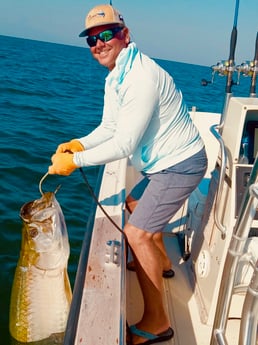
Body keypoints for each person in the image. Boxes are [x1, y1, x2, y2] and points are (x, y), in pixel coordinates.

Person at [48, 4, 207, 345]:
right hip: (164, 163)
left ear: (125, 35)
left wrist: (74, 163)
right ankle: (162, 263)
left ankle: (157, 324)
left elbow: (124, 143)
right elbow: (109, 127)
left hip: (181, 164)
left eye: (107, 34)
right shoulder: (117, 75)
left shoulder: (140, 78)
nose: (99, 44)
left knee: (136, 235)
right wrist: (78, 144)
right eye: (91, 39)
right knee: (135, 202)